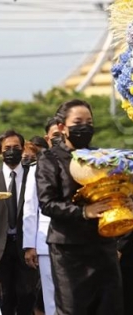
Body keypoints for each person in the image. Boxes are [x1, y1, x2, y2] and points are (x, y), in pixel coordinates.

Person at [36, 99, 124, 314]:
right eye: (77, 121)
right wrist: (84, 212)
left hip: (102, 245)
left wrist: (123, 199)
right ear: (62, 127)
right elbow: (47, 203)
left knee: (108, 307)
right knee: (73, 309)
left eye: (89, 121)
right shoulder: (50, 159)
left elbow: (114, 189)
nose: (84, 126)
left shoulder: (102, 158)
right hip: (68, 249)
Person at [0, 129, 38, 315]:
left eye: (16, 147)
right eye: (7, 148)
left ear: (23, 149)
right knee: (0, 302)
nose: (12, 151)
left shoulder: (35, 176)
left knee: (27, 300)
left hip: (27, 249)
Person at [22, 117, 61, 315]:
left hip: (77, 240)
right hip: (46, 241)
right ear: (47, 138)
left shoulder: (83, 163)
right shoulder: (37, 168)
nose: (60, 138)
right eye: (55, 135)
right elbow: (30, 208)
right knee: (51, 297)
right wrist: (30, 245)